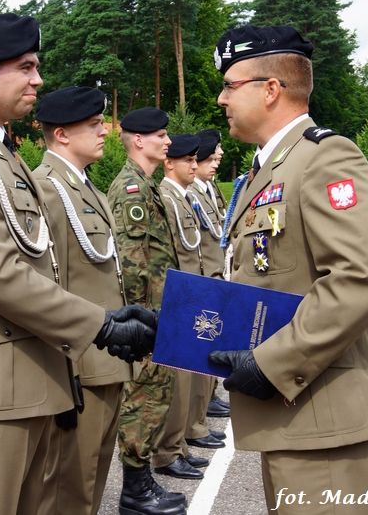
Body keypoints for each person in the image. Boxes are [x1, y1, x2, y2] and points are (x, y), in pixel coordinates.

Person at [0, 13, 157, 515]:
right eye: (25, 67)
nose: (37, 80)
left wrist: (105, 316)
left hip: (29, 381)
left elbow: (45, 266)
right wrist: (100, 325)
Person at [208, 25, 368, 514]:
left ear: (271, 89)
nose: (221, 98)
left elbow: (359, 279)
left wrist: (271, 363)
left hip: (320, 415)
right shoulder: (271, 167)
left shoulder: (325, 157)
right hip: (296, 416)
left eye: (229, 85)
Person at [31, 86, 133, 515]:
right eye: (93, 125)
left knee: (90, 483)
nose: (105, 131)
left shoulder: (83, 187)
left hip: (104, 360)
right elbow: (45, 286)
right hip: (79, 366)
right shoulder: (45, 189)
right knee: (70, 490)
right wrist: (65, 370)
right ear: (62, 134)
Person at [108, 107, 187, 515]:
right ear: (138, 140)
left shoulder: (146, 185)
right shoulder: (131, 190)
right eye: (161, 135)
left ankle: (141, 483)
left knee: (156, 395)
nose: (168, 141)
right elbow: (132, 262)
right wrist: (142, 319)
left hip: (160, 311)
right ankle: (135, 491)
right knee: (144, 397)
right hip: (148, 317)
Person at [151, 134, 215, 480]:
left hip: (194, 293)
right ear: (169, 163)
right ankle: (169, 449)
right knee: (177, 381)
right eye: (187, 160)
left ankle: (180, 444)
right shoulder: (166, 197)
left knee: (189, 376)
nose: (194, 165)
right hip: (180, 297)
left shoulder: (184, 197)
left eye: (195, 159)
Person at [189, 130, 231, 425]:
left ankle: (209, 395)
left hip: (216, 273)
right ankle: (199, 408)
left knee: (213, 340)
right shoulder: (191, 193)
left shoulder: (209, 189)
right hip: (204, 277)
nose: (217, 161)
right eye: (212, 157)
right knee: (203, 341)